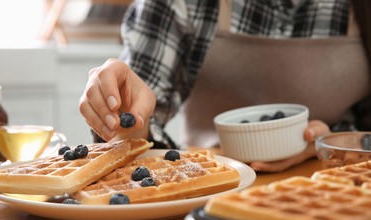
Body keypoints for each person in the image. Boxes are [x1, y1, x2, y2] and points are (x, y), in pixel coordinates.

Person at [79, 0, 371, 172]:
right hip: (209, 191)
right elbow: (134, 122)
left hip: (343, 185)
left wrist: (338, 143)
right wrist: (125, 116)